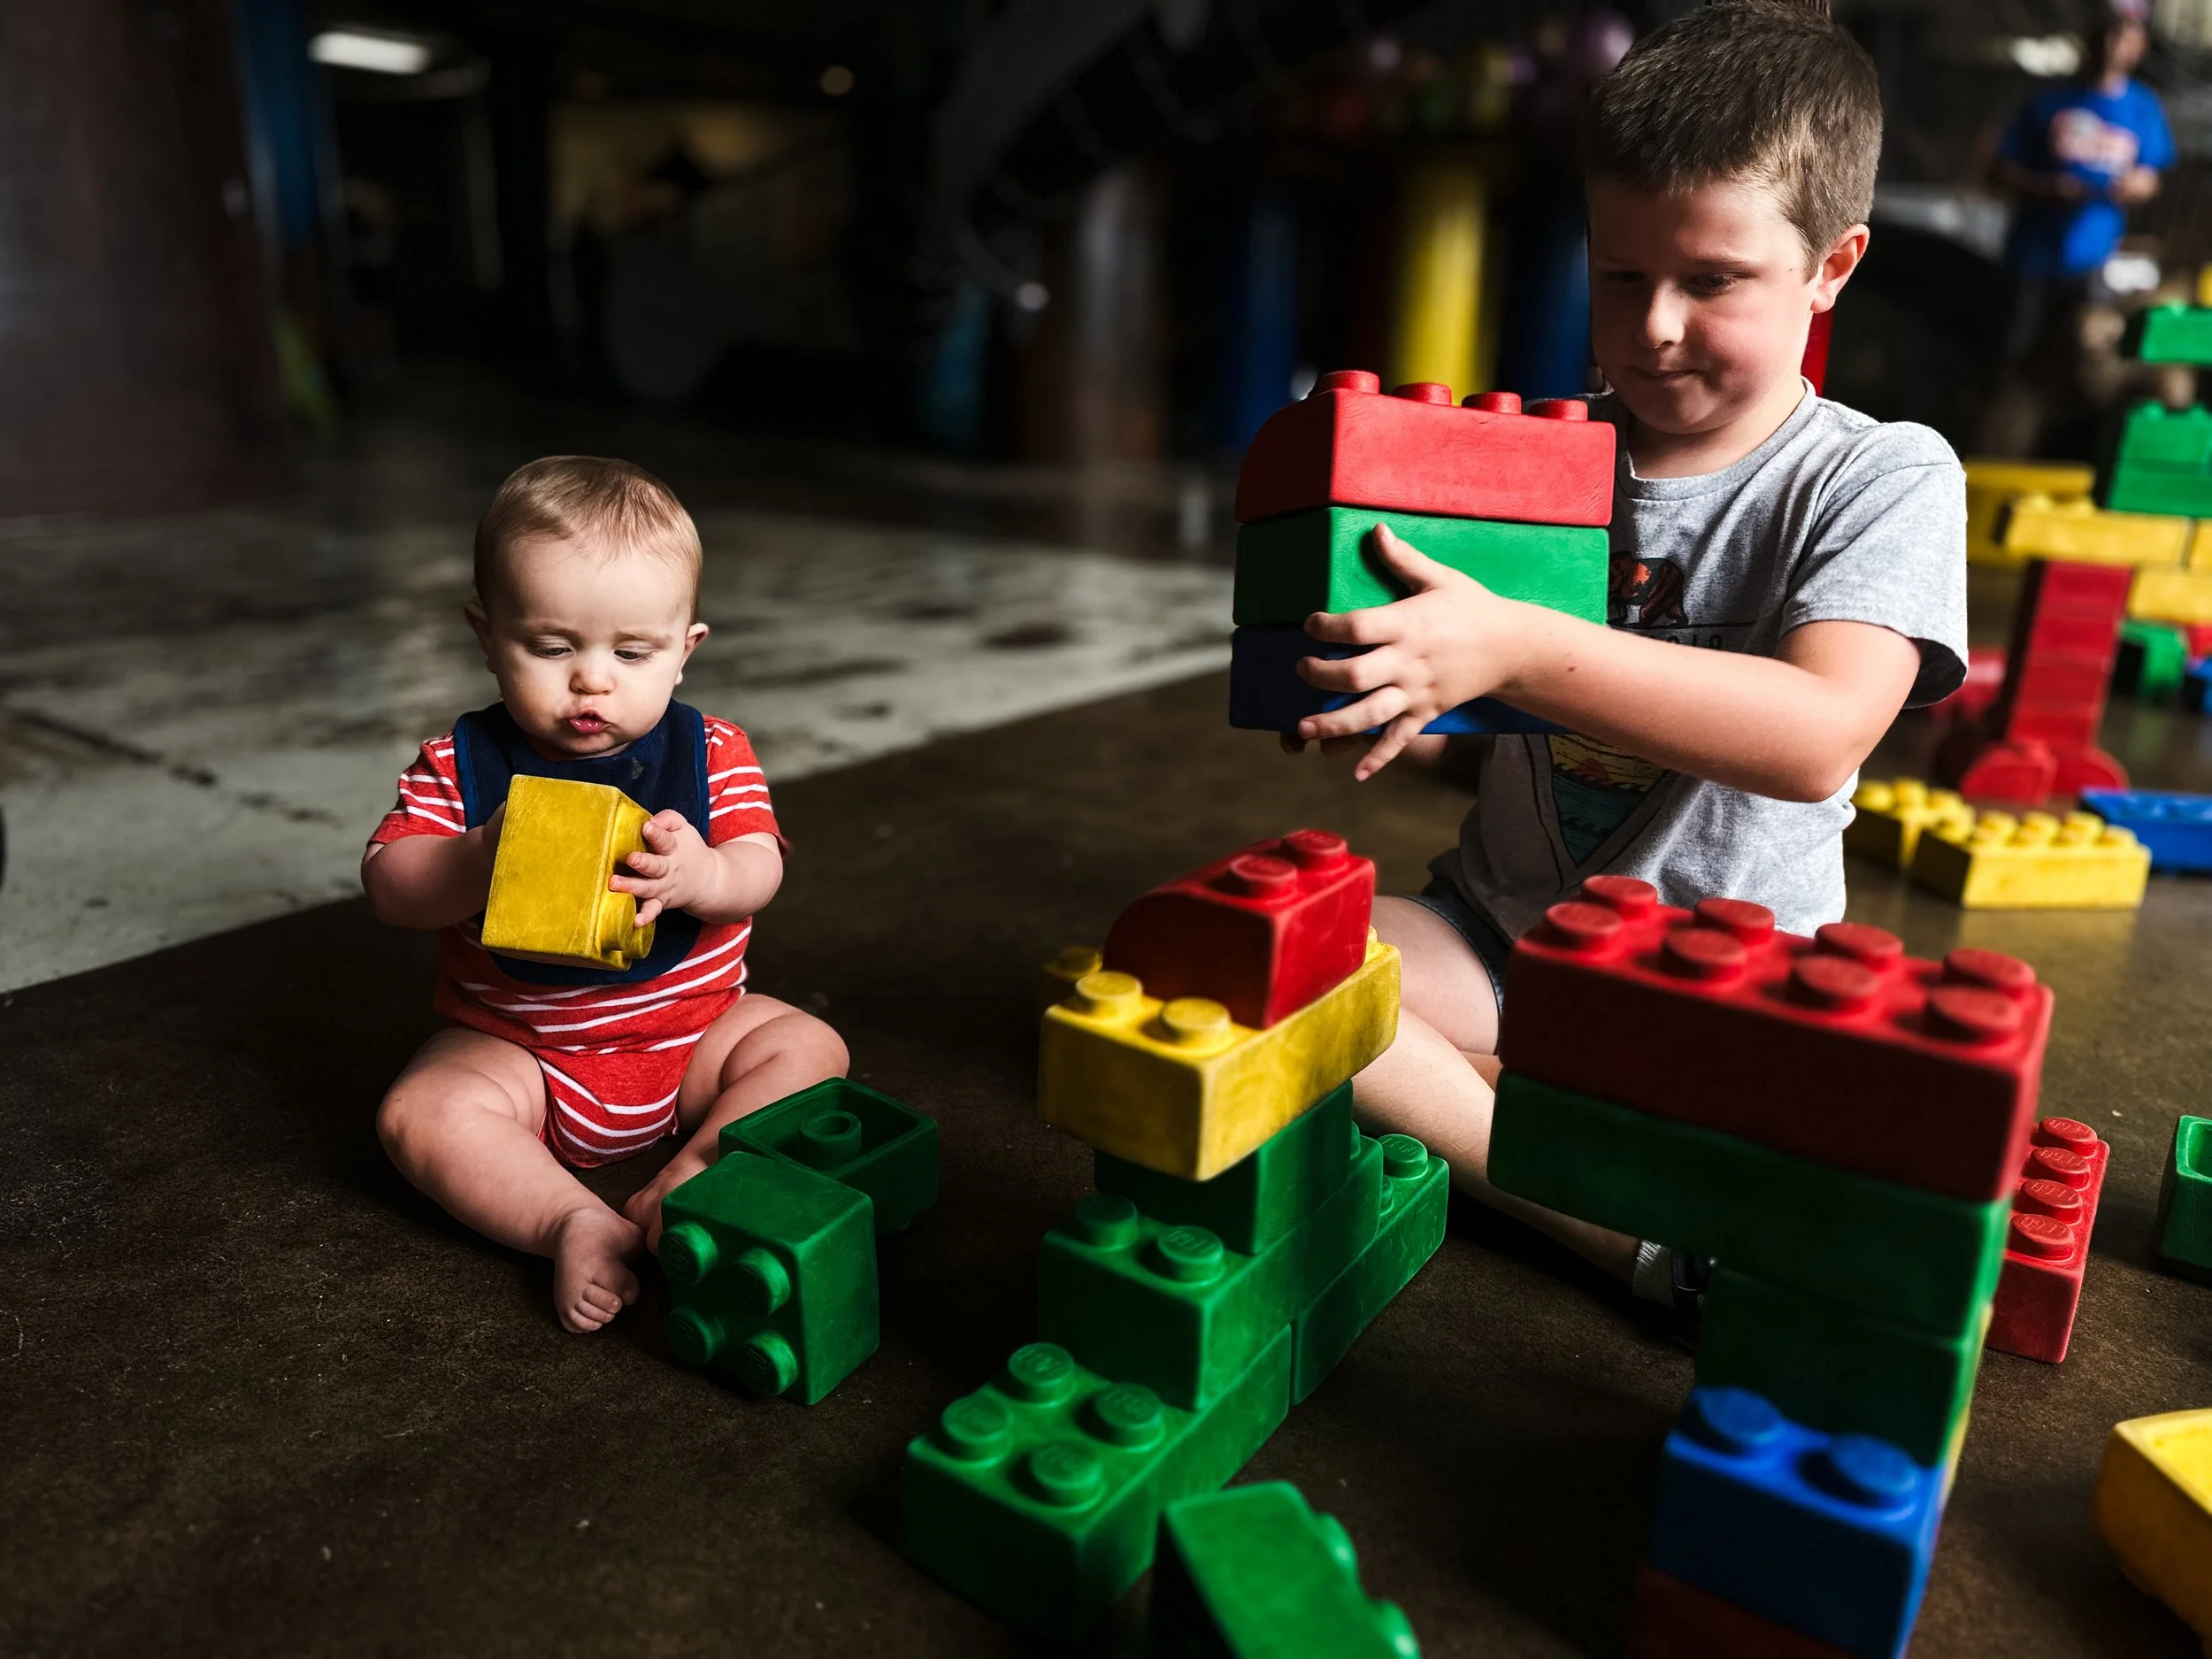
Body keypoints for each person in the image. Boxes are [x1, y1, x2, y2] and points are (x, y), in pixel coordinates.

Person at [1285, 0, 1966, 1307]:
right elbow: (1500, 724)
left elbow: (1818, 729)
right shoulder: (1530, 467)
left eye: (1712, 281)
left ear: (1833, 265)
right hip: (1499, 941)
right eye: (1619, 276)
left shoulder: (1881, 475)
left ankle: (1540, 1160)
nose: (1653, 324)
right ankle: (1607, 1198)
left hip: (1717, 991)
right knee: (1259, 958)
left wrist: (1515, 645)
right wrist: (1395, 692)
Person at [364, 457, 847, 1333]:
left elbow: (759, 865)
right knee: (417, 1114)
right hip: (524, 1055)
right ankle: (568, 1220)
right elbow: (390, 885)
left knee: (809, 1047)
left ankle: (695, 1168)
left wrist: (704, 874)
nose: (593, 680)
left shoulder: (710, 752)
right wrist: (478, 856)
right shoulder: (458, 764)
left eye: (632, 652)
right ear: (485, 634)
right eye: (550, 648)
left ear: (685, 650)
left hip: (694, 1037)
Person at [1988, 1, 2173, 453]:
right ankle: (1998, 450)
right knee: (2014, 366)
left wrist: (2133, 186)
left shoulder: (2142, 108)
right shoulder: (2048, 101)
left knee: (2078, 367)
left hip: (2092, 265)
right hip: (2030, 260)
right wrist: (2048, 187)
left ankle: (2059, 451)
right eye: (2106, 33)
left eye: (2124, 35)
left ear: (2139, 44)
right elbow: (1999, 169)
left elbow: (2152, 176)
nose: (2113, 44)